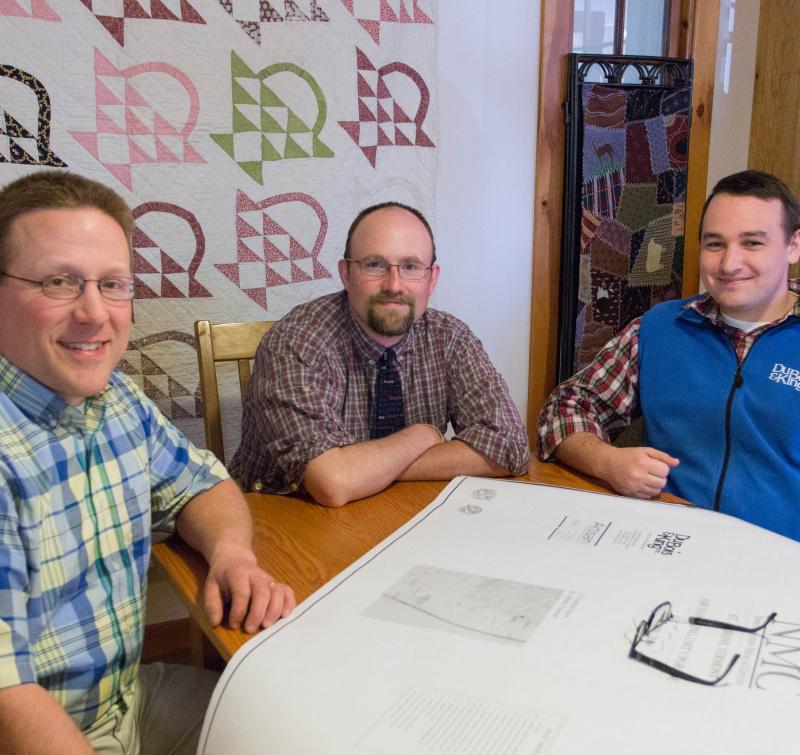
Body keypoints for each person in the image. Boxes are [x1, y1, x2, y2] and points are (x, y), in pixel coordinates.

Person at [0, 171, 296, 755]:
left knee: (301, 731)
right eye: (58, 282)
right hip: (37, 740)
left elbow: (202, 485)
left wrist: (232, 555)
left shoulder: (116, 400)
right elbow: (7, 700)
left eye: (112, 284)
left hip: (125, 706)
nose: (95, 313)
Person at [538, 170, 800, 539]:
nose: (729, 264)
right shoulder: (659, 327)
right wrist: (608, 461)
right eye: (715, 244)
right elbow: (564, 409)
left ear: (793, 246)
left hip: (780, 557)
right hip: (665, 541)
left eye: (753, 243)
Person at [230, 202, 530, 507]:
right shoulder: (296, 341)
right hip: (281, 520)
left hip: (395, 514)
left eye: (411, 267)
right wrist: (423, 436)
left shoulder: (450, 337)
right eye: (375, 264)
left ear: (432, 279)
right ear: (346, 274)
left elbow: (511, 446)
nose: (394, 285)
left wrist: (371, 470)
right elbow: (333, 481)